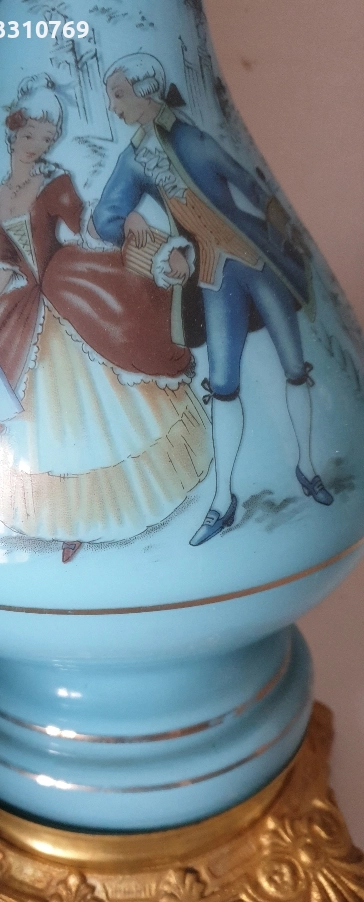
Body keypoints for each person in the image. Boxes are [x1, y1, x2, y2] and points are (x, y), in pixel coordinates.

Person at [0, 75, 211, 563]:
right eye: (31, 135)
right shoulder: (0, 196)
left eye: (48, 138)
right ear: (14, 132)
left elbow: (88, 228)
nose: (38, 145)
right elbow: (6, 261)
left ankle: (122, 506)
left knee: (104, 400)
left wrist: (132, 222)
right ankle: (68, 521)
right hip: (29, 300)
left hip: (68, 286)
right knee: (47, 420)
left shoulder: (54, 183)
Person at [91, 53, 333, 547]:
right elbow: (103, 219)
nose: (113, 105)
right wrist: (145, 231)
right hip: (212, 276)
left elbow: (250, 186)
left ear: (146, 92)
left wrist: (284, 231)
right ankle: (222, 500)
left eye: (119, 94)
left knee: (294, 365)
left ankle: (308, 468)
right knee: (222, 384)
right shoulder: (135, 159)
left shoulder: (194, 138)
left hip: (257, 260)